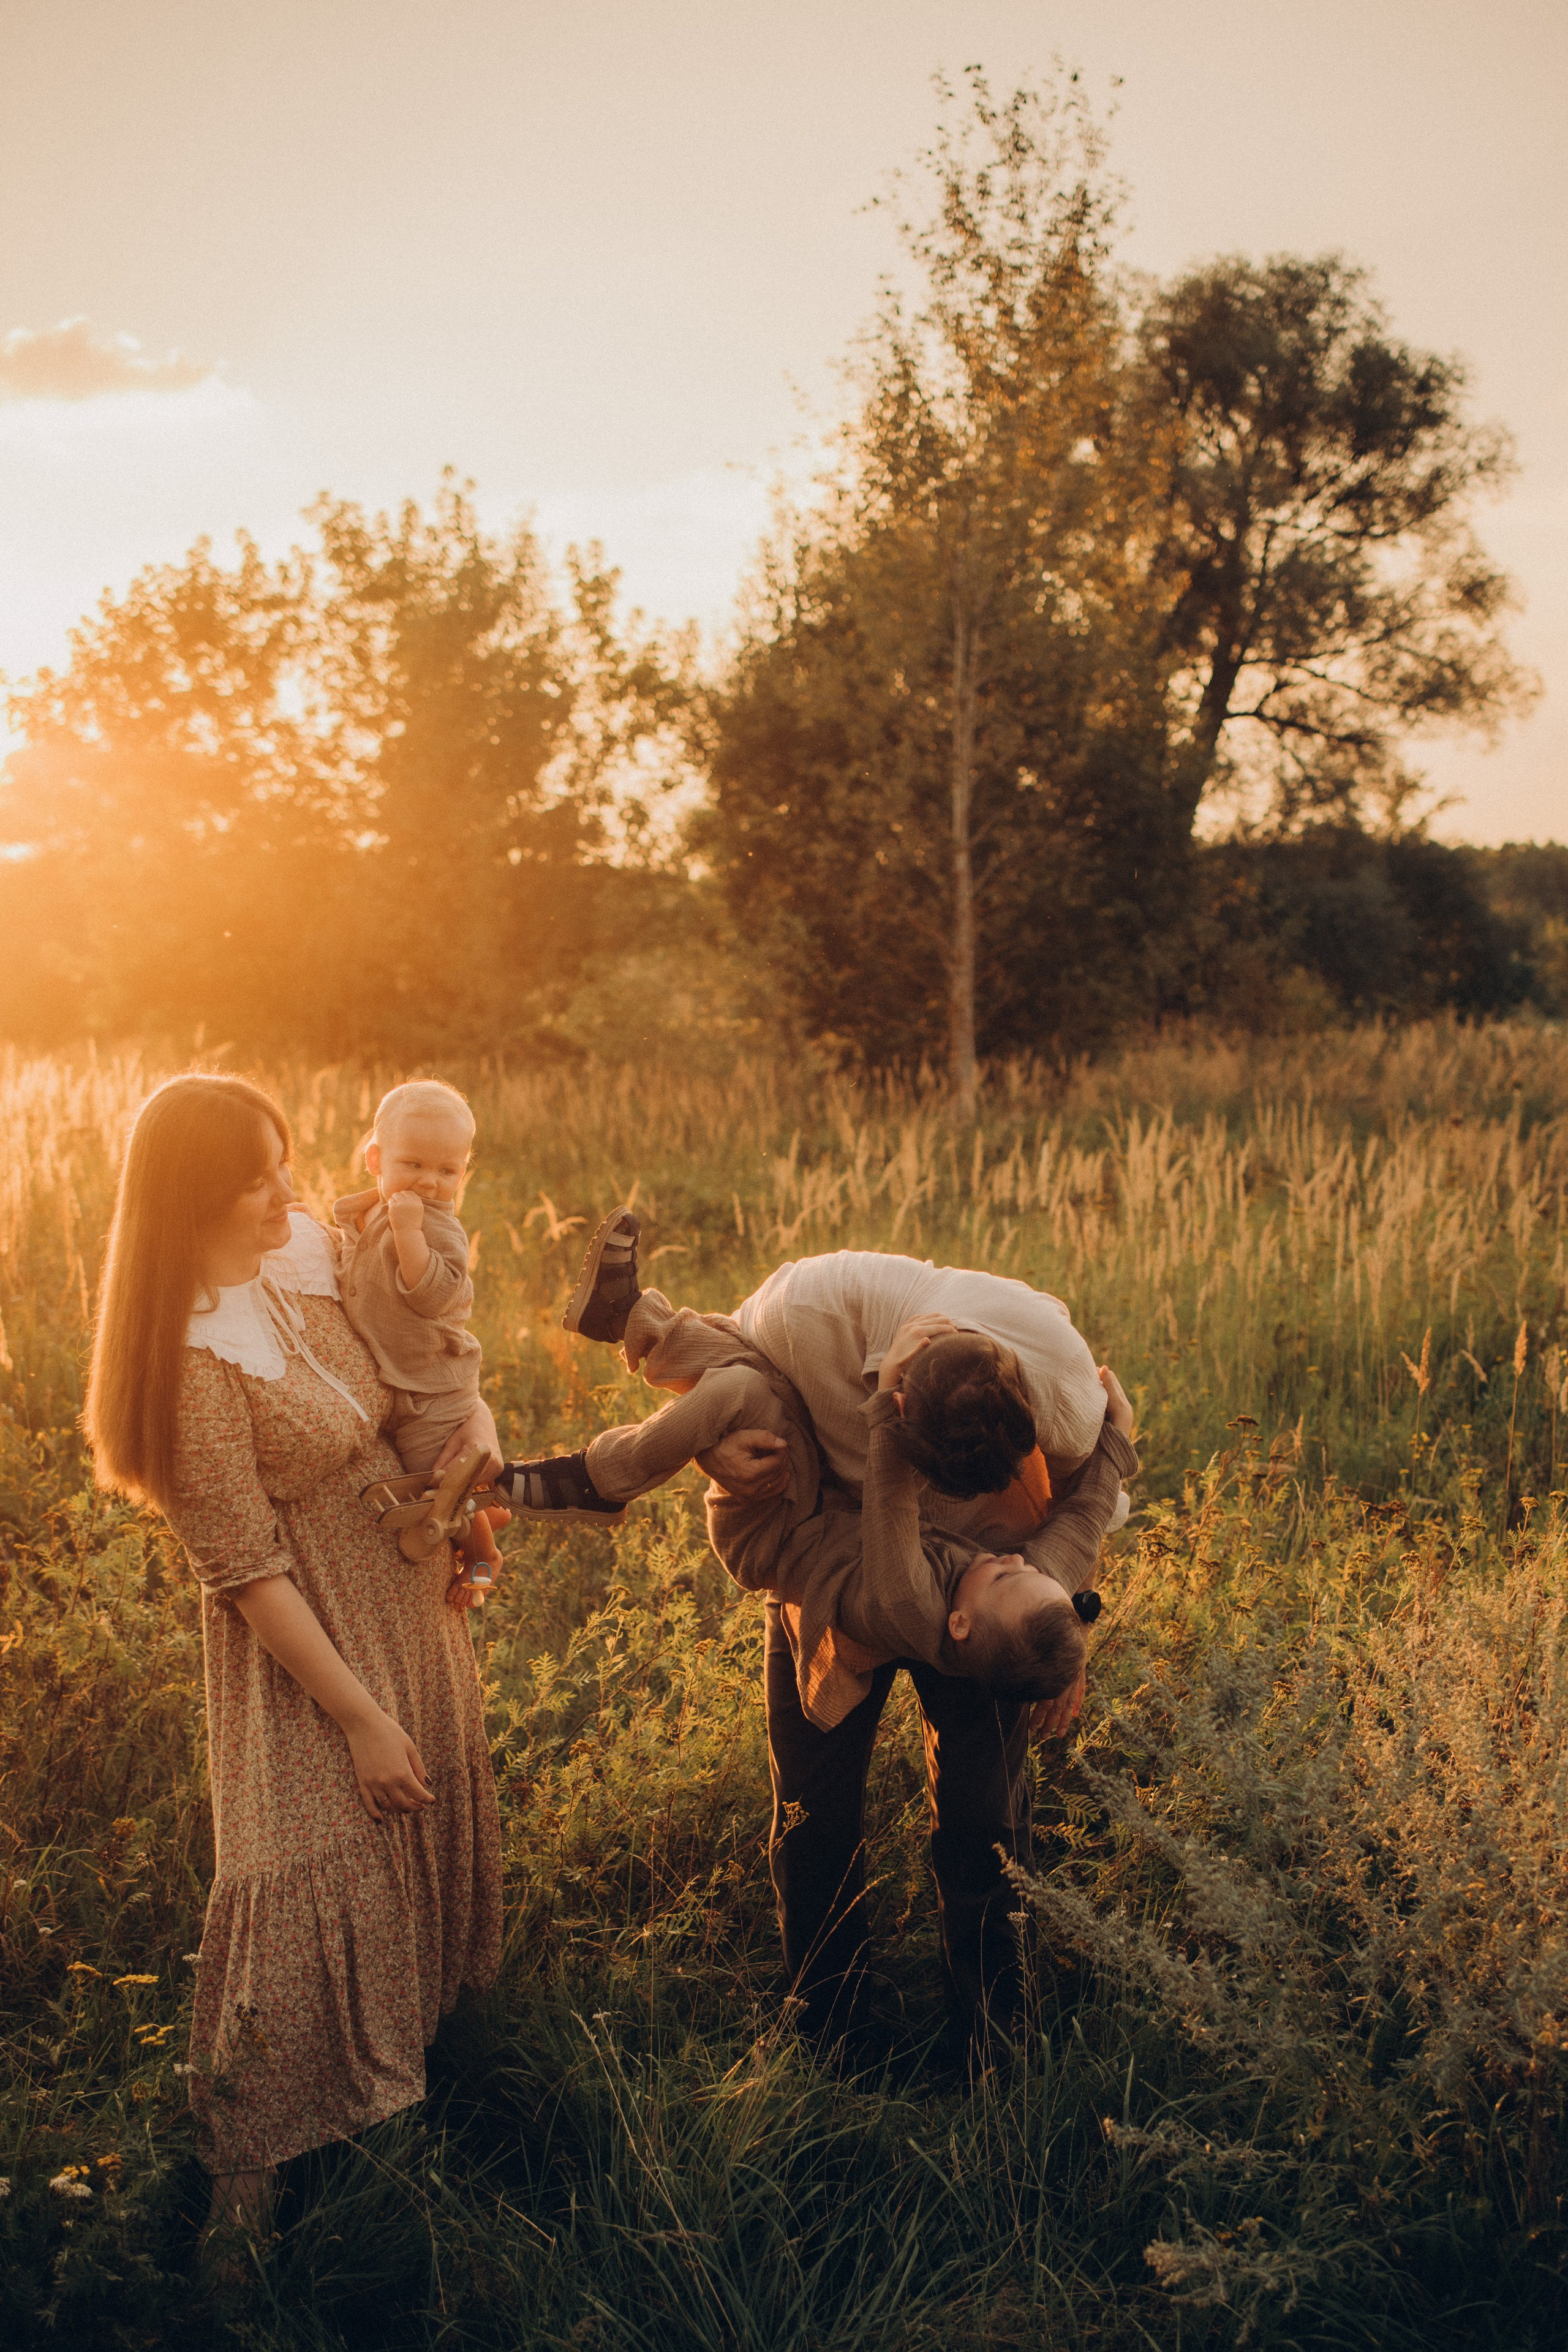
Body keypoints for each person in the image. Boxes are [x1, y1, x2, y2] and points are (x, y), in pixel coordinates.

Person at [510, 1212, 1137, 2059]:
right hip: (825, 1558)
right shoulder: (811, 1320)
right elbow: (1031, 1529)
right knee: (815, 1814)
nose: (1024, 1561)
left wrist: (1059, 1629)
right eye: (1024, 1568)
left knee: (986, 1821)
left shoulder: (988, 1556)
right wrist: (714, 1457)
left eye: (1017, 1568)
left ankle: (995, 2043)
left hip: (927, 1598)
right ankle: (832, 2031)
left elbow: (1062, 1521)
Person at [84, 1074, 505, 2242]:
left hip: (407, 1596)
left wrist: (476, 1459)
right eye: (258, 1182)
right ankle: (241, 2210)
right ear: (192, 1208)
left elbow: (427, 1367)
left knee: (411, 1830)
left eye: (284, 1165)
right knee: (303, 1864)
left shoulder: (313, 1253)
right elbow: (247, 1573)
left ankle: (402, 2094)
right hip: (306, 1637)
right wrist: (360, 1718)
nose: (291, 1193)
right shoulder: (185, 1360)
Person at [331, 1080, 484, 1478]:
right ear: (376, 1161)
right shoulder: (371, 1212)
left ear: (462, 1172)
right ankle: (485, 1511)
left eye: (446, 1170)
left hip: (433, 1388)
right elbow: (354, 1256)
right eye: (413, 1165)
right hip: (393, 1379)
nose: (429, 1182)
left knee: (437, 1477)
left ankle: (481, 1542)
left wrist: (408, 1234)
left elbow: (432, 1297)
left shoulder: (437, 1228)